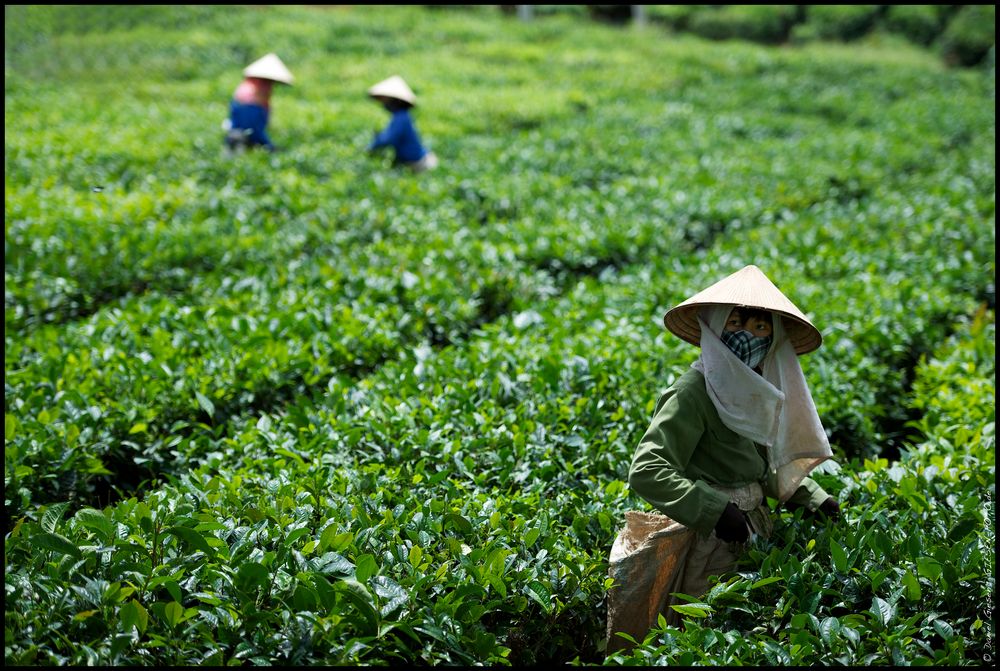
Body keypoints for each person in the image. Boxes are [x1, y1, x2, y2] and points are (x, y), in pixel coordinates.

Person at [605, 265, 842, 653]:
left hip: (754, 530)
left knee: (748, 635)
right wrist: (714, 509)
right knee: (705, 637)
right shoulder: (691, 393)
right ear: (715, 329)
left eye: (761, 328)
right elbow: (647, 470)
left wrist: (812, 497)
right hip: (708, 541)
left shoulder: (757, 390)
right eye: (735, 323)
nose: (747, 336)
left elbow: (760, 465)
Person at [223, 53, 294, 154]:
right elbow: (254, 129)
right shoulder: (252, 105)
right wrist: (269, 145)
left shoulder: (243, 94)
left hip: (236, 137)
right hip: (240, 141)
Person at [366, 75, 438, 172]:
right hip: (410, 161)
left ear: (396, 101)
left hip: (417, 164)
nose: (383, 104)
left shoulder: (401, 117)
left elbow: (388, 139)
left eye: (386, 100)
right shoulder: (400, 116)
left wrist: (373, 145)